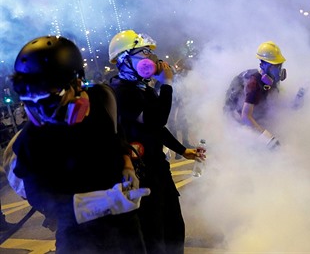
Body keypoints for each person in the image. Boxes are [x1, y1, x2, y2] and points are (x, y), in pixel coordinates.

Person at [10, 35, 150, 253]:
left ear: (77, 83)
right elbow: (39, 197)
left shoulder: (103, 99)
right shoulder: (31, 139)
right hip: (77, 236)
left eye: (51, 93)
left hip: (125, 227)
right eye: (32, 95)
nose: (41, 107)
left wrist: (127, 165)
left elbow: (117, 137)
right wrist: (94, 204)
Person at [108, 30, 205, 254]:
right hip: (141, 176)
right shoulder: (121, 92)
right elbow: (156, 119)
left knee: (174, 228)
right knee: (153, 236)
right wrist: (167, 85)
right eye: (142, 53)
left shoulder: (143, 89)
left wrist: (183, 150)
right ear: (124, 60)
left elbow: (157, 129)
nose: (151, 60)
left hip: (159, 170)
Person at [224, 41, 287, 149]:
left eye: (279, 65)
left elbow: (277, 104)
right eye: (275, 66)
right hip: (236, 117)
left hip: (254, 112)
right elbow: (245, 116)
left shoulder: (271, 82)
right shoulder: (254, 84)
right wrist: (268, 139)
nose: (278, 70)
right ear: (263, 65)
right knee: (252, 147)